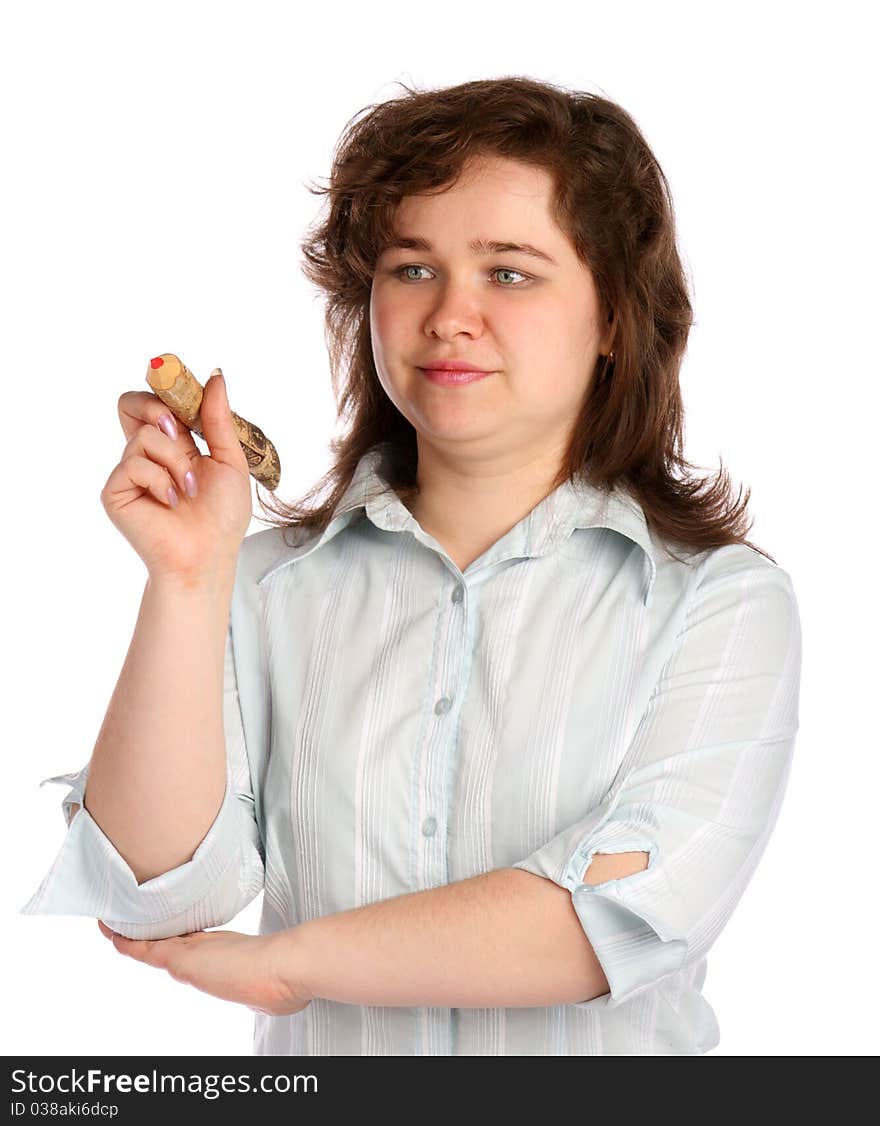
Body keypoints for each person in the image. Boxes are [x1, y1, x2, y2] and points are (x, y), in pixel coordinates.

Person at [20, 75, 802, 1056]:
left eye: (508, 272)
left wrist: (291, 961)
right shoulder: (264, 587)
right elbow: (156, 889)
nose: (449, 316)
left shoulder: (719, 603)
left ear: (612, 318)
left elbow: (611, 920)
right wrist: (187, 579)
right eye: (411, 268)